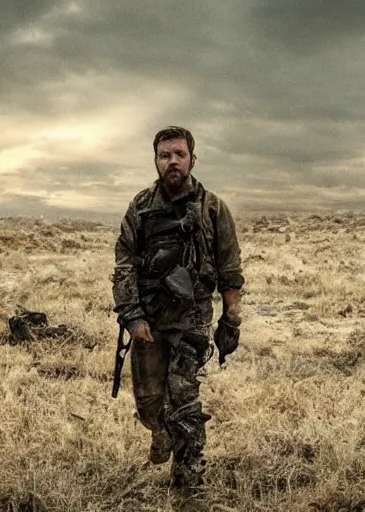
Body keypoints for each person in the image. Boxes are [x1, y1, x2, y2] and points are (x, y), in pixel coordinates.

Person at [111, 126, 245, 488]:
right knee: (149, 399)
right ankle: (159, 429)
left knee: (184, 398)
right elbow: (125, 262)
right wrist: (133, 315)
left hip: (192, 321)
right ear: (156, 160)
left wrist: (231, 318)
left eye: (179, 155)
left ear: (192, 159)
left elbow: (230, 268)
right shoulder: (140, 207)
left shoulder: (213, 208)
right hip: (149, 323)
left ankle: (189, 478)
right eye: (165, 155)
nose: (172, 162)